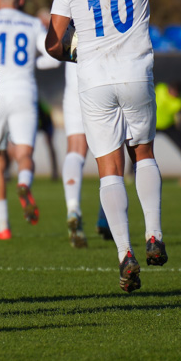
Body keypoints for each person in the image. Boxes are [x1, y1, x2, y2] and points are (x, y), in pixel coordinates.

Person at [46, 0, 181, 293]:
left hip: (93, 81)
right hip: (136, 74)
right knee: (144, 154)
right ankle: (153, 235)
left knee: (109, 168)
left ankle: (125, 253)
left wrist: (77, 51)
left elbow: (53, 43)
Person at [0, 0, 58, 240]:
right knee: (24, 152)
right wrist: (30, 66)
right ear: (21, 0)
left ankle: (3, 227)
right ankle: (24, 182)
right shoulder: (33, 23)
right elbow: (53, 59)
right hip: (25, 91)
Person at [60, 61, 111, 246]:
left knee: (75, 150)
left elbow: (54, 48)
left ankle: (73, 207)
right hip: (103, 79)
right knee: (110, 149)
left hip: (75, 82)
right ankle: (106, 217)